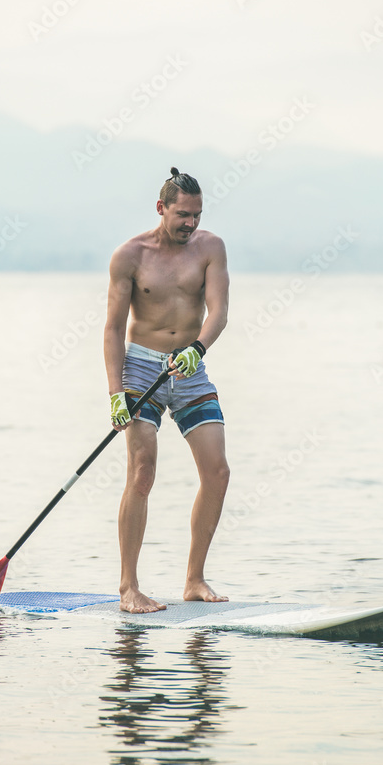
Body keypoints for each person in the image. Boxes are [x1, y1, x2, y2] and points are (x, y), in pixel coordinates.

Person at [104, 167, 230, 613]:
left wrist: (198, 348)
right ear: (161, 208)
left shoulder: (211, 248)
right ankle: (129, 589)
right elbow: (114, 328)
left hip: (189, 367)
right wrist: (116, 392)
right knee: (142, 471)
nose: (190, 223)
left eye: (196, 215)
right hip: (141, 369)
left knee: (218, 473)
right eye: (182, 215)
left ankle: (194, 580)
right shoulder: (130, 256)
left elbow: (219, 311)